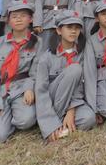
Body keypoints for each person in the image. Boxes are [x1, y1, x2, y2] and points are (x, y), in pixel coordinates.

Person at [0, 0, 39, 143]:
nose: (18, 19)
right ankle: (2, 121)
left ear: (30, 19)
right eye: (14, 16)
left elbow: (37, 71)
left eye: (23, 15)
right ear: (8, 20)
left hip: (21, 89)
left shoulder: (38, 43)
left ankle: (11, 116)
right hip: (0, 90)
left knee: (26, 121)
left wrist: (29, 88)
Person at [36, 10, 96, 142]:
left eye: (77, 28)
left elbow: (83, 84)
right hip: (53, 101)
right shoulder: (46, 57)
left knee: (89, 118)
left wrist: (71, 109)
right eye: (69, 27)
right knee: (74, 69)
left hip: (75, 99)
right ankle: (53, 123)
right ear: (58, 30)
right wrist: (49, 124)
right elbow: (41, 91)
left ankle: (63, 122)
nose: (73, 31)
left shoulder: (83, 53)